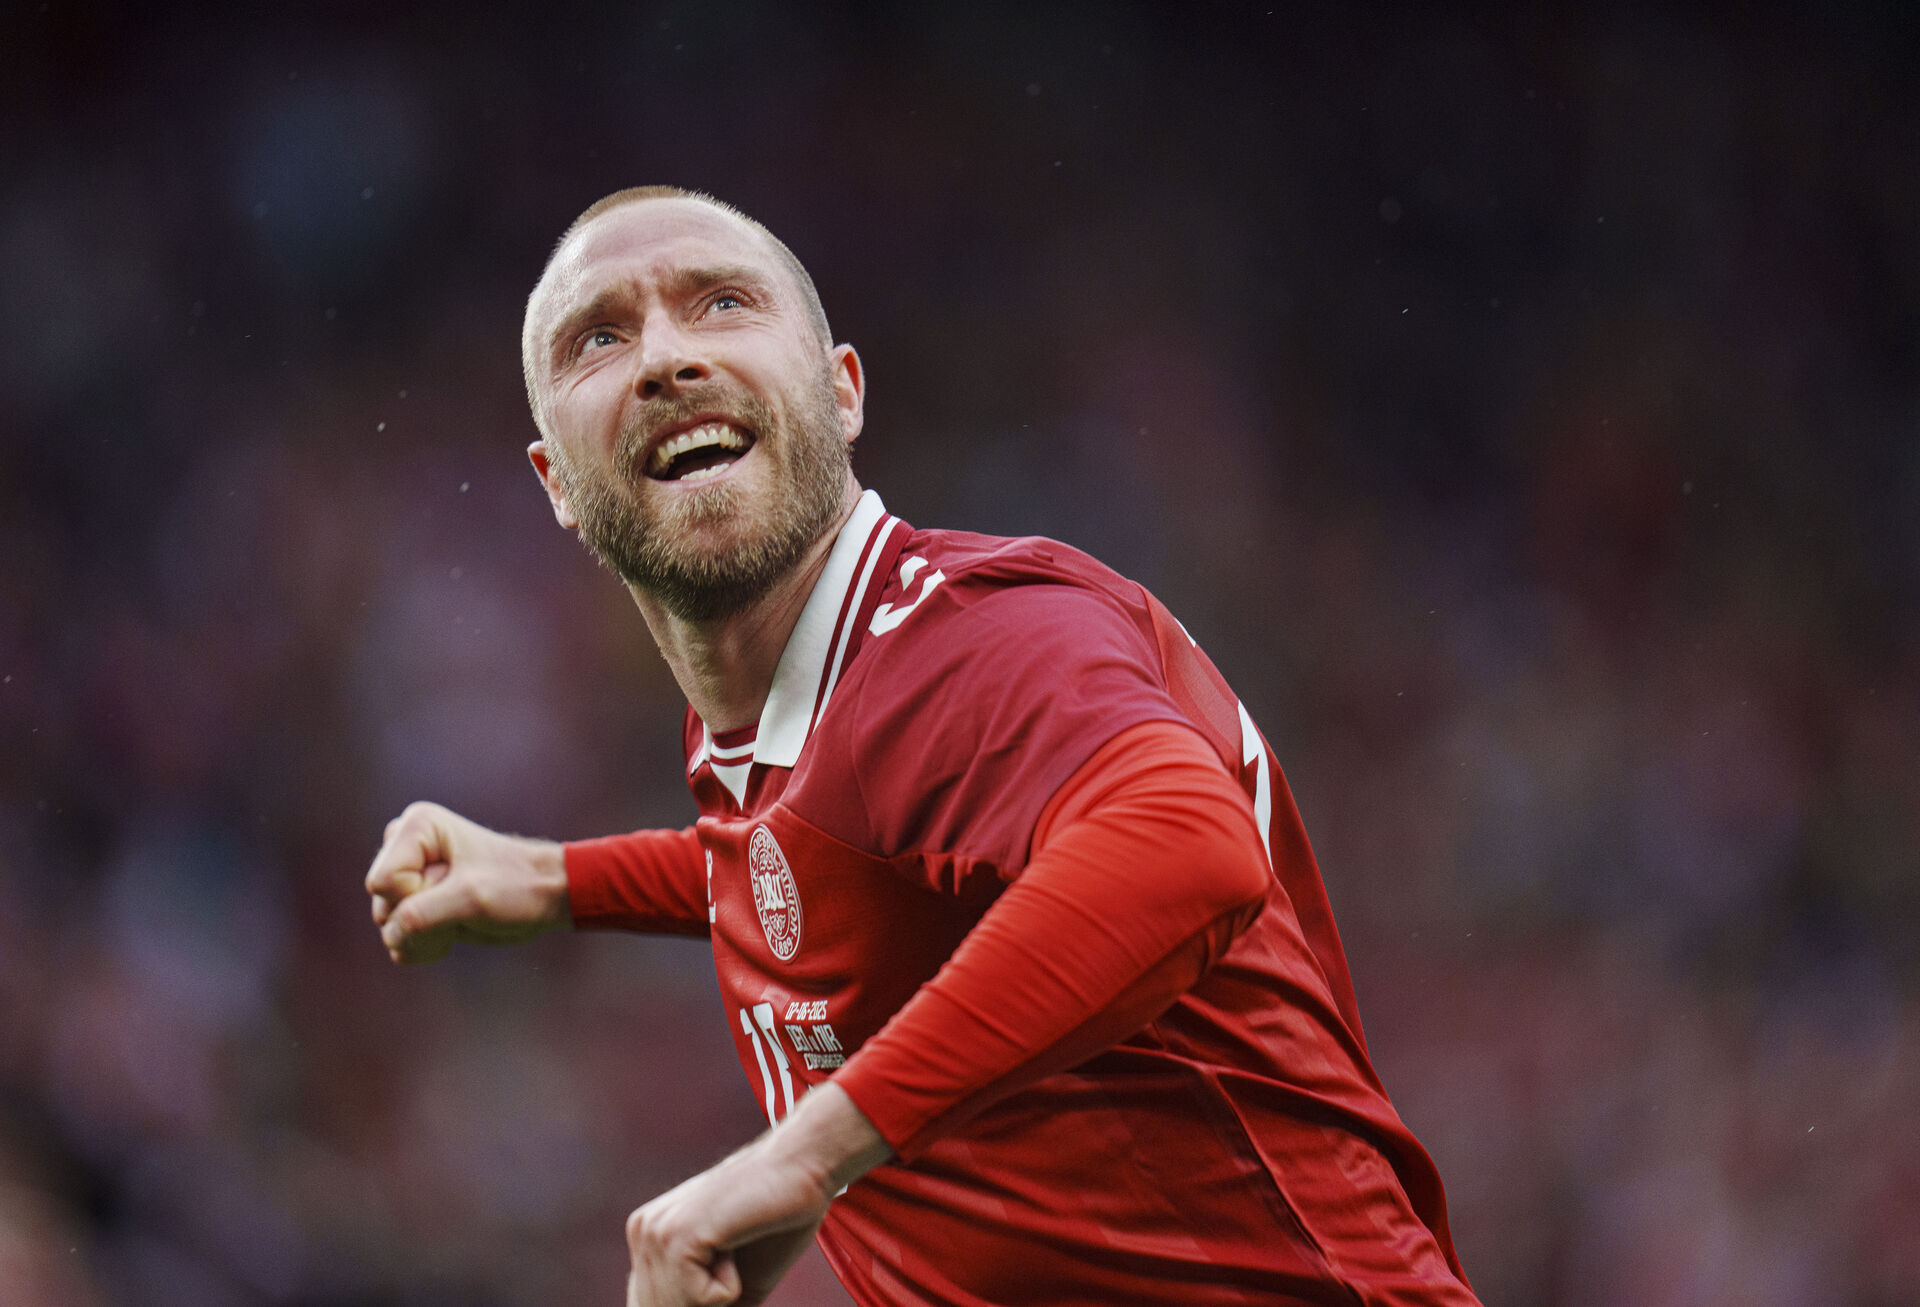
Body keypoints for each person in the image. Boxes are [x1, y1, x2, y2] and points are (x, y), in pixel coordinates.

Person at [365, 185, 1481, 1307]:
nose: (664, 357)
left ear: (843, 393)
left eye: (723, 303)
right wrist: (560, 879)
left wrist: (803, 1157)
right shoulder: (786, 711)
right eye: (600, 338)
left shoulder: (967, 637)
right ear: (557, 482)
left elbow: (1189, 845)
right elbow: (830, 858)